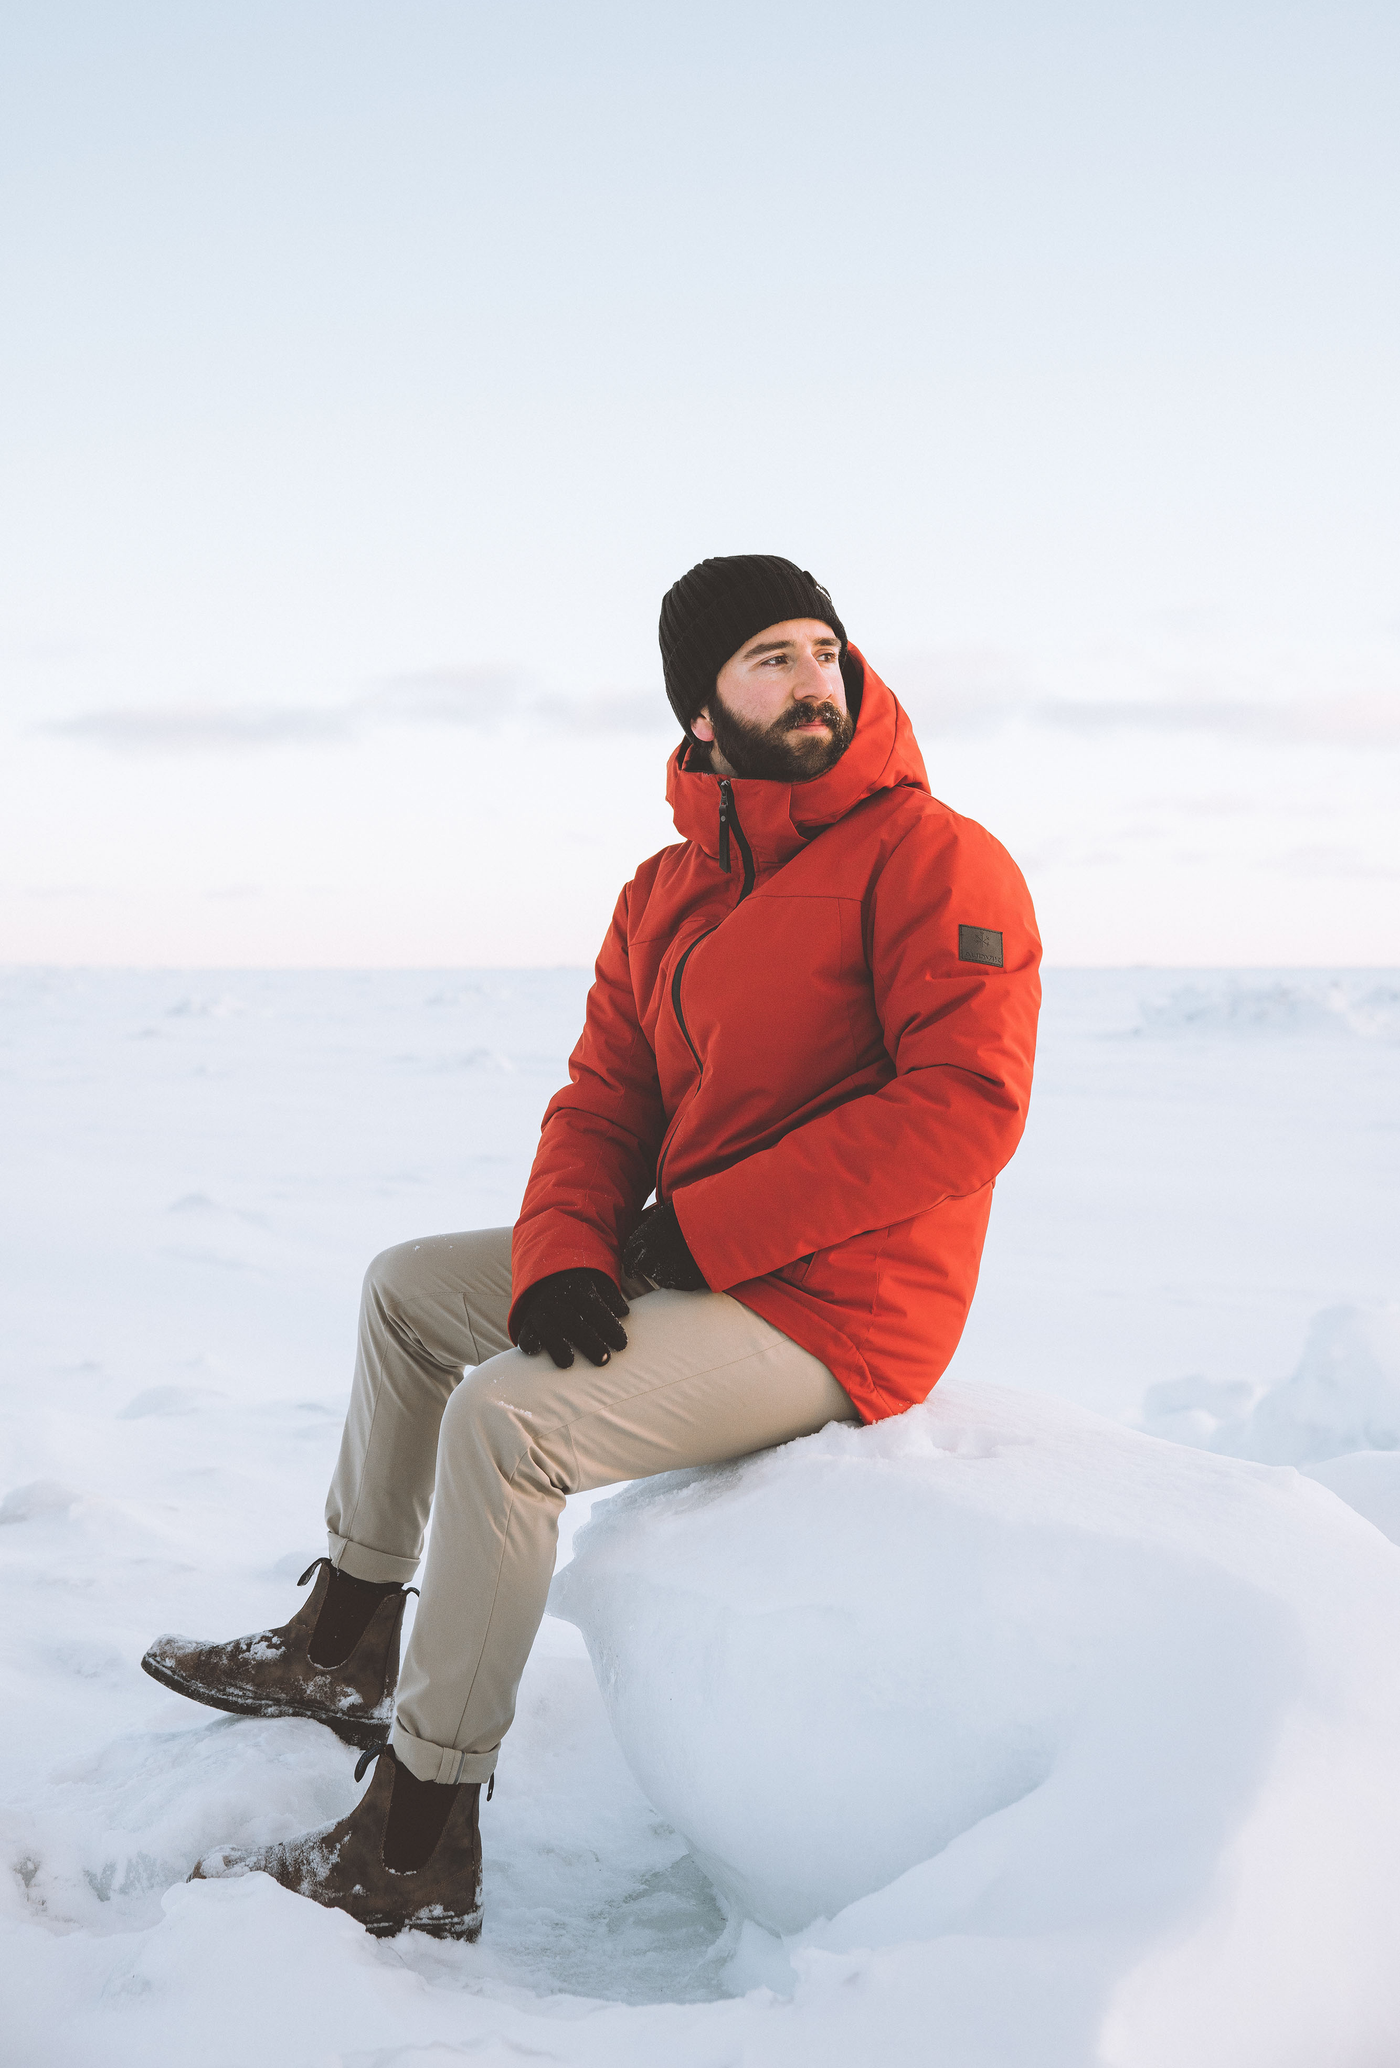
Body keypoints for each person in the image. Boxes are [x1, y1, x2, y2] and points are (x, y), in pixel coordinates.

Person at [142, 553, 1042, 1940]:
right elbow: (604, 1096)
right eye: (771, 660)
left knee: (511, 1421)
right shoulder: (665, 887)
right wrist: (569, 1246)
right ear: (702, 712)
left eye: (824, 650)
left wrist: (696, 1230)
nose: (815, 680)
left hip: (842, 1308)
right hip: (699, 1257)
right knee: (410, 1291)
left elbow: (961, 1110)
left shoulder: (935, 856)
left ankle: (421, 1829)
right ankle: (345, 1637)